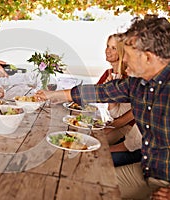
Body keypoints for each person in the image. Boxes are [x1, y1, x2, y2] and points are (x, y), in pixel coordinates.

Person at [36, 15, 170, 200]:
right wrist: (56, 95)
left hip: (166, 183)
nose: (124, 62)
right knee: (81, 183)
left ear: (148, 57)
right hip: (147, 171)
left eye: (128, 57)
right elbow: (101, 91)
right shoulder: (138, 83)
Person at [99, 33, 142, 167]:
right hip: (118, 123)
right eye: (107, 46)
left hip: (128, 129)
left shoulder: (131, 77)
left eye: (113, 48)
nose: (107, 50)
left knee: (95, 144)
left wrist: (110, 127)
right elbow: (93, 95)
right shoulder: (109, 74)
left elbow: (130, 115)